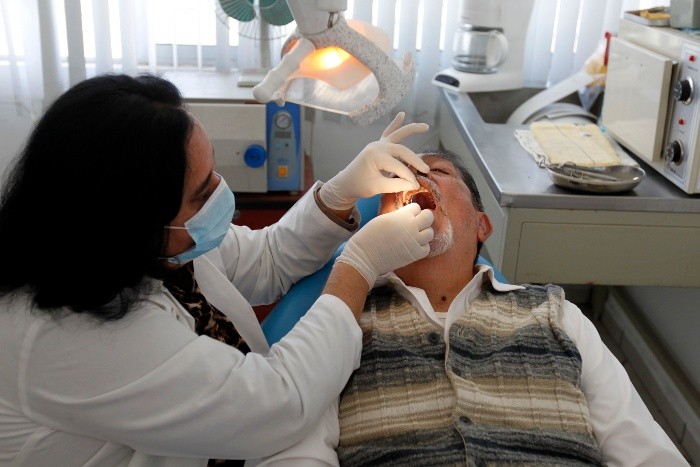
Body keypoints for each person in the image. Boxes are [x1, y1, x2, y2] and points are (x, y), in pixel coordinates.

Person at [0, 73, 437, 466]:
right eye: (200, 193)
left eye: (213, 172)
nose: (219, 194)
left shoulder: (156, 249)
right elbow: (278, 407)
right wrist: (358, 266)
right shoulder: (64, 333)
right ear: (132, 223)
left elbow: (268, 258)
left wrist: (339, 194)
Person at [254, 149, 690, 466]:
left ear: (482, 225)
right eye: (398, 179)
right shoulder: (339, 323)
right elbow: (293, 452)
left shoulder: (556, 315)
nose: (415, 180)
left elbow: (645, 452)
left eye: (437, 172)